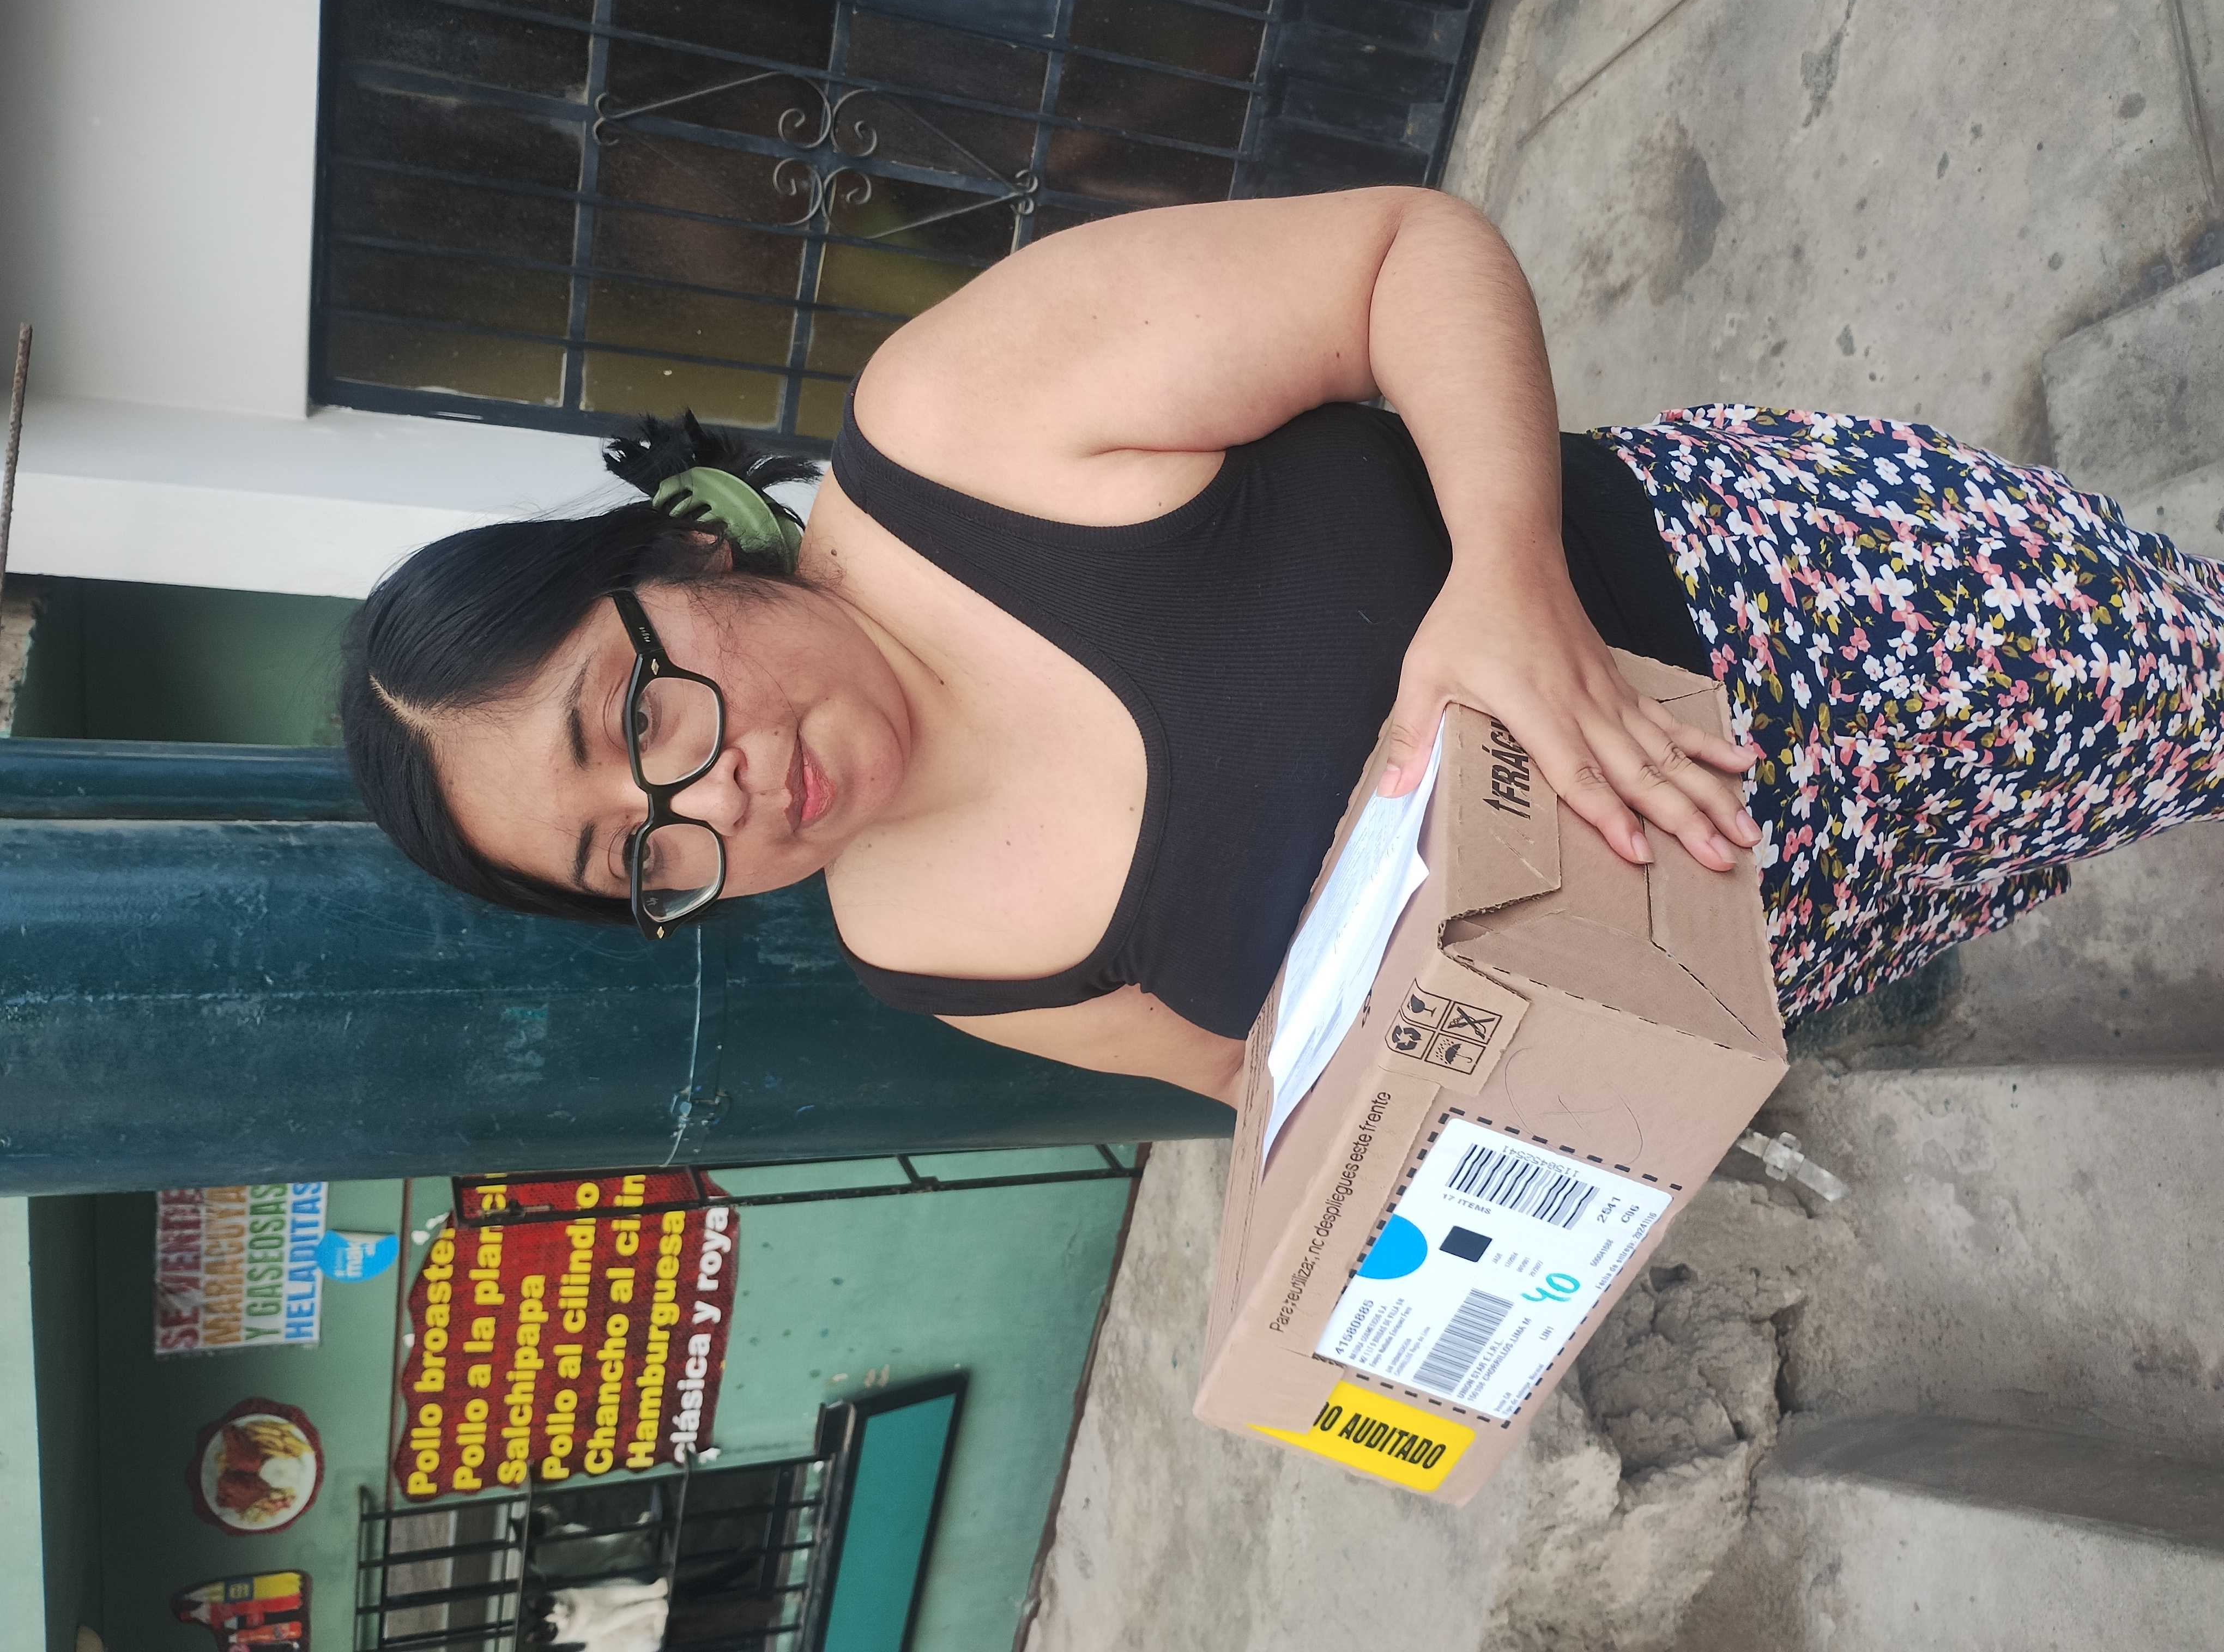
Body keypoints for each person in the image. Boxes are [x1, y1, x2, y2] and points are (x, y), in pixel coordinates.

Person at [341, 187, 2224, 1106]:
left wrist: (1506, 577)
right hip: (1770, 928)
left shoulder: (957, 427)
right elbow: (1286, 1093)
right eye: (636, 855)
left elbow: (1404, 257)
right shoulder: (930, 953)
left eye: (635, 712)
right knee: (2152, 796)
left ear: (677, 550)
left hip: (1826, 607)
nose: (715, 796)